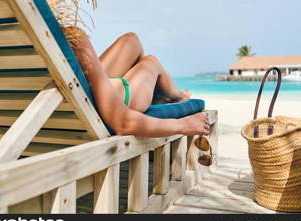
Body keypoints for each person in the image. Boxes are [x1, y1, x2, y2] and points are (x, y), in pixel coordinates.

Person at [62, 26, 210, 138]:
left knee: (130, 39)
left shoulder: (46, 38)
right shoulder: (74, 36)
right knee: (151, 61)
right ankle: (178, 96)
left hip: (84, 91)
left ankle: (158, 94)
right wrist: (183, 125)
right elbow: (122, 123)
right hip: (107, 105)